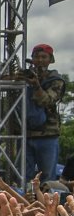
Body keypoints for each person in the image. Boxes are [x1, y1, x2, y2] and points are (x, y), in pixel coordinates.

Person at [23, 43, 65, 180]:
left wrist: (36, 85)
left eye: (43, 57)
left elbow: (47, 101)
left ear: (50, 59)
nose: (40, 60)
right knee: (24, 177)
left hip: (47, 135)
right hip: (25, 135)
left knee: (47, 177)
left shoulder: (55, 80)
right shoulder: (26, 77)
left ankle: (48, 201)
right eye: (36, 57)